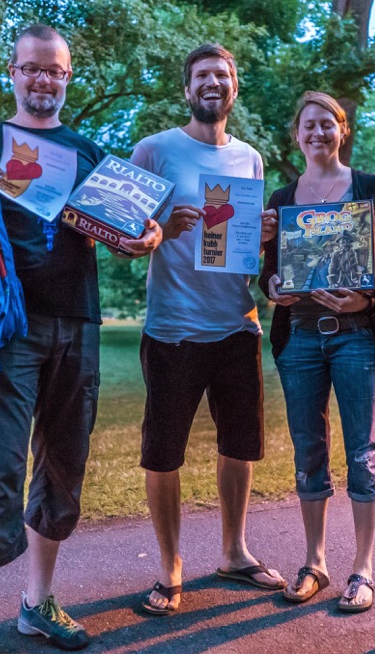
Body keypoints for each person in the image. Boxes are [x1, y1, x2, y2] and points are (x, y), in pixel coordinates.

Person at [0, 24, 161, 654]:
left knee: (62, 469)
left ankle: (37, 603)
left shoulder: (88, 154)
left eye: (54, 71)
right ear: (13, 71)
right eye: (32, 69)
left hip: (76, 323)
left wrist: (142, 241)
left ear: (67, 77)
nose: (43, 80)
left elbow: (119, 235)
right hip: (8, 329)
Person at [129, 43, 285, 616]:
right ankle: (170, 567)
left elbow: (243, 249)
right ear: (187, 87)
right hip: (172, 329)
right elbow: (124, 236)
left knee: (239, 447)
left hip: (236, 326)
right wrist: (163, 230)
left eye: (222, 74)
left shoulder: (250, 159)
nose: (213, 83)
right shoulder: (154, 150)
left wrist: (264, 239)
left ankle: (234, 551)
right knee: (163, 454)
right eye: (202, 75)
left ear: (234, 87)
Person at [259, 91, 375, 613]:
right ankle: (314, 563)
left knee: (362, 453)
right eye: (308, 125)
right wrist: (272, 286)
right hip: (299, 337)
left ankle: (363, 569)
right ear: (295, 135)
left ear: (342, 130)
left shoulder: (368, 189)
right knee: (307, 450)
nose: (317, 133)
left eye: (328, 124)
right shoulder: (279, 199)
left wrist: (366, 296)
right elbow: (267, 273)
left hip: (357, 338)